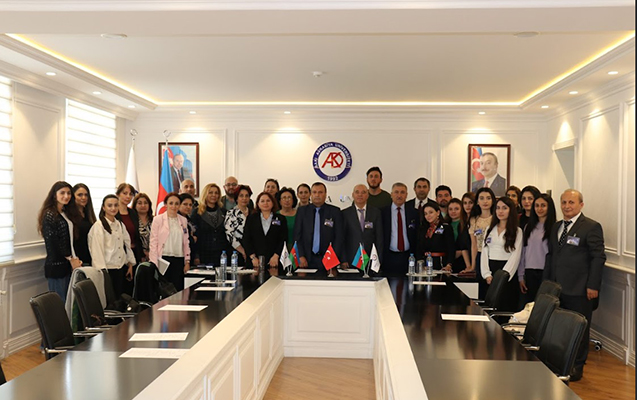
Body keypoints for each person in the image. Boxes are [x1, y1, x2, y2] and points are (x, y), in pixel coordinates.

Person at [544, 189, 606, 381]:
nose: (567, 206)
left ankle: (577, 366)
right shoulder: (556, 227)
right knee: (559, 328)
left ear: (581, 205)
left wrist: (593, 286)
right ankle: (559, 363)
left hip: (580, 289)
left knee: (579, 329)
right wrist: (547, 284)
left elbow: (598, 258)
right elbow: (552, 256)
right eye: (563, 202)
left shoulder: (591, 227)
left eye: (571, 202)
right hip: (557, 288)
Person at [37, 181, 83, 302]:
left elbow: (70, 240)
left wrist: (74, 259)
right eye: (62, 193)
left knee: (69, 303)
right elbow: (52, 245)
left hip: (69, 265)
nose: (66, 196)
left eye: (69, 193)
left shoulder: (66, 213)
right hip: (57, 267)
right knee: (60, 304)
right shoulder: (49, 215)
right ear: (54, 195)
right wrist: (70, 260)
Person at [88, 194, 137, 297]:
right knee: (109, 299)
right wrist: (102, 272)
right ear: (103, 208)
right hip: (107, 269)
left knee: (120, 298)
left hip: (120, 267)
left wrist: (130, 263)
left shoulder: (120, 224)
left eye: (116, 205)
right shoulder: (99, 226)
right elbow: (97, 251)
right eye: (110, 205)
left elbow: (126, 245)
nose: (113, 208)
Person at [480, 197, 522, 312]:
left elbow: (515, 256)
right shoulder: (489, 229)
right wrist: (486, 274)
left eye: (504, 208)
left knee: (504, 308)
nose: (500, 211)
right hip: (490, 271)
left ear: (511, 210)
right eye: (498, 208)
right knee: (489, 308)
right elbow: (484, 252)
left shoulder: (517, 231)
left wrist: (503, 276)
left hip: (507, 272)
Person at [293, 182, 344, 276]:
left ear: (325, 194)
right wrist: (301, 256)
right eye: (314, 192)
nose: (317, 195)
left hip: (328, 259)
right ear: (310, 194)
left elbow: (339, 237)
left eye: (320, 192)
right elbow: (297, 236)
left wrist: (333, 258)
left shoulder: (335, 211)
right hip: (307, 259)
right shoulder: (302, 211)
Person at [518, 193, 556, 305]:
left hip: (546, 272)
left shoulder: (555, 227)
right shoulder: (528, 227)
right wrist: (521, 276)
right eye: (537, 205)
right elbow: (523, 252)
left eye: (543, 205)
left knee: (543, 306)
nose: (539, 209)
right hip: (529, 272)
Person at [149, 192, 191, 291]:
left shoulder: (183, 220)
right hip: (163, 259)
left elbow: (186, 242)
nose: (174, 206)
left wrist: (187, 261)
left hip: (179, 259)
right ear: (165, 204)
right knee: (163, 289)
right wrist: (154, 263)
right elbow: (153, 242)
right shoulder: (158, 219)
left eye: (177, 203)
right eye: (171, 203)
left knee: (177, 289)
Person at [341, 184, 383, 273]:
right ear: (353, 195)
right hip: (351, 259)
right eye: (357, 192)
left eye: (363, 192)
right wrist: (343, 259)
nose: (360, 195)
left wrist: (378, 258)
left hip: (371, 259)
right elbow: (342, 239)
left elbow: (379, 238)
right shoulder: (345, 214)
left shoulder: (376, 213)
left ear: (367, 195)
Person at [243, 192, 288, 275]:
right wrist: (253, 257)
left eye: (268, 201)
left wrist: (276, 256)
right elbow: (246, 239)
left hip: (274, 262)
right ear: (258, 204)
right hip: (255, 262)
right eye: (262, 201)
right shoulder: (251, 218)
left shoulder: (280, 219)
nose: (265, 203)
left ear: (273, 203)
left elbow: (283, 239)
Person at [381, 183, 419, 276]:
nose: (399, 195)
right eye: (396, 192)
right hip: (388, 257)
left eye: (402, 192)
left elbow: (417, 235)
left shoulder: (414, 212)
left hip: (409, 257)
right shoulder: (382, 212)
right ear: (391, 194)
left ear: (406, 195)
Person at [191, 183, 230, 266]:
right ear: (205, 194)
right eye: (210, 192)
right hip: (203, 254)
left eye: (216, 193)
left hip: (221, 254)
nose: (214, 195)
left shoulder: (224, 212)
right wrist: (196, 255)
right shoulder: (197, 213)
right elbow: (194, 235)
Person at [468, 188, 496, 299]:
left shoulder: (496, 218)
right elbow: (474, 244)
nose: (485, 201)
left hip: (493, 256)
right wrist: (473, 265)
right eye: (482, 198)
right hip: (480, 255)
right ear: (477, 201)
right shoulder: (474, 220)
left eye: (488, 198)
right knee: (482, 287)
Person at [416, 202, 455, 271]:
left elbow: (451, 248)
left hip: (441, 264)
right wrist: (421, 263)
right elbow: (418, 248)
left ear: (438, 212)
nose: (428, 216)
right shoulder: (423, 229)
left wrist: (449, 264)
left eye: (431, 212)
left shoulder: (446, 227)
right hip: (426, 266)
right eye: (425, 214)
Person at [224, 185, 253, 265]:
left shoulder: (253, 213)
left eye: (247, 196)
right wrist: (243, 251)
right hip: (236, 251)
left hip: (252, 252)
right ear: (237, 198)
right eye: (241, 196)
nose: (244, 198)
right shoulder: (231, 213)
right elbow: (229, 235)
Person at [72, 183, 96, 266]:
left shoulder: (89, 214)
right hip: (77, 259)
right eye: (80, 195)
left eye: (86, 195)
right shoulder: (69, 216)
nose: (84, 198)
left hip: (90, 257)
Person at [447, 198, 471, 273]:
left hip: (463, 260)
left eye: (456, 209)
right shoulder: (445, 224)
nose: (453, 211)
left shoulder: (466, 224)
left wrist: (460, 252)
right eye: (450, 209)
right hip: (448, 261)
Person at [132, 193, 153, 262]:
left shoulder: (155, 220)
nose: (143, 205)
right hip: (137, 256)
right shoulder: (132, 221)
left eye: (145, 203)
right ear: (135, 205)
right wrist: (143, 253)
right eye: (139, 203)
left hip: (154, 255)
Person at [178, 193, 198, 264]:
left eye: (190, 205)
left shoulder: (189, 219)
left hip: (190, 254)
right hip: (180, 256)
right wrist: (192, 239)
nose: (188, 207)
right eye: (185, 204)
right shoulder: (176, 219)